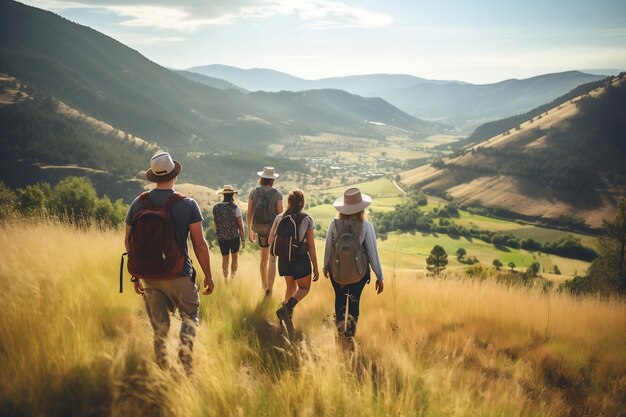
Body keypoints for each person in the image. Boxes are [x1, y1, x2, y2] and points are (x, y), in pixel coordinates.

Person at [125, 151, 214, 373]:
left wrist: (136, 274)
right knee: (190, 314)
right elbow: (200, 244)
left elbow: (129, 242)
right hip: (179, 273)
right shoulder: (187, 204)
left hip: (149, 276)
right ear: (174, 174)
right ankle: (185, 357)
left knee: (160, 327)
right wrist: (209, 276)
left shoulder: (139, 203)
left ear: (154, 177)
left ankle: (162, 371)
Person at [323, 187, 384, 345]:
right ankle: (349, 339)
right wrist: (379, 276)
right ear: (361, 208)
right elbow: (372, 253)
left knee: (340, 302)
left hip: (337, 273)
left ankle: (339, 338)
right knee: (354, 302)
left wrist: (325, 266)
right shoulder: (365, 226)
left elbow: (328, 246)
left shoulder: (334, 224)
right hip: (359, 274)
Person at [269, 189, 320, 335]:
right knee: (304, 288)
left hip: (284, 259)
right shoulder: (307, 219)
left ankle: (286, 322)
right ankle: (286, 310)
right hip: (300, 258)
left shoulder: (279, 217)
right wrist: (315, 267)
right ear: (302, 203)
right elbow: (311, 246)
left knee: (290, 289)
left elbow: (270, 240)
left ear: (288, 202)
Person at [247, 167, 283, 296]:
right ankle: (270, 288)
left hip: (260, 229)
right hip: (273, 231)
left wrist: (250, 230)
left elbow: (249, 213)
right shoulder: (278, 194)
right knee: (272, 259)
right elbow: (281, 215)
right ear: (272, 180)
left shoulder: (254, 192)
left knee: (263, 258)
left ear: (262, 178)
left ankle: (263, 284)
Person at [213, 185, 246, 280]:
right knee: (234, 258)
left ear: (223, 195)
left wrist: (219, 234)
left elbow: (216, 223)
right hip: (234, 237)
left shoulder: (216, 208)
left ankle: (225, 280)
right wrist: (243, 239)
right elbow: (240, 226)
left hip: (222, 238)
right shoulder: (235, 208)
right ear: (232, 195)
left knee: (224, 259)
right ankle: (233, 278)